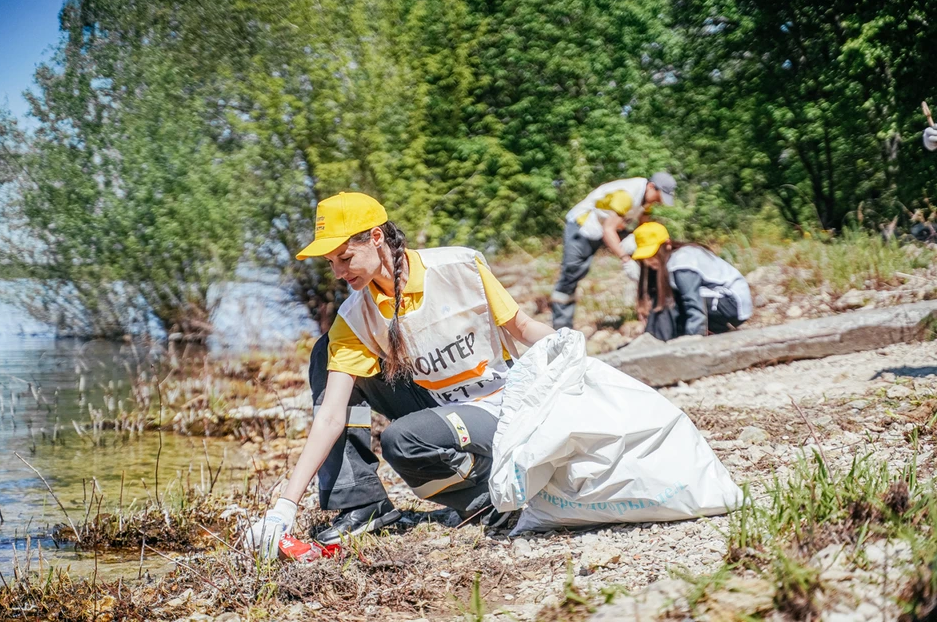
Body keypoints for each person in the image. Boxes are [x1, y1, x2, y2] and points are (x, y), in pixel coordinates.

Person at [245, 192, 555, 558]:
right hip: (436, 406)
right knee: (323, 355)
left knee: (401, 439)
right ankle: (362, 503)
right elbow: (331, 414)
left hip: (498, 405)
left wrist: (573, 354)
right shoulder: (354, 316)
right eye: (331, 263)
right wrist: (285, 508)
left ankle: (493, 492)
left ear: (376, 238)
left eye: (345, 258)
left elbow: (522, 327)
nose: (340, 273)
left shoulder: (460, 267)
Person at [551, 173, 676, 329]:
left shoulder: (646, 198)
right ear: (651, 186)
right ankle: (561, 326)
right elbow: (608, 230)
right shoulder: (627, 196)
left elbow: (643, 228)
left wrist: (639, 248)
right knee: (572, 273)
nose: (659, 201)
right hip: (583, 228)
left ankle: (650, 311)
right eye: (659, 196)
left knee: (648, 254)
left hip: (610, 229)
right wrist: (626, 259)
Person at [627, 222, 752, 341]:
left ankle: (684, 338)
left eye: (652, 254)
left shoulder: (682, 263)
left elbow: (694, 307)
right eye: (645, 257)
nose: (649, 261)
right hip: (715, 300)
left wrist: (691, 343)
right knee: (666, 297)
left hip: (732, 303)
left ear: (668, 244)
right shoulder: (668, 262)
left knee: (672, 298)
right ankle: (657, 340)